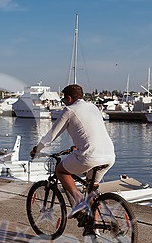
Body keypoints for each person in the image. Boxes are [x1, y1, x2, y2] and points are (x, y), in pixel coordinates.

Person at [30, 84, 115, 219]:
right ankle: (95, 229)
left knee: (60, 170)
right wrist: (77, 146)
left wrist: (37, 149)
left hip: (90, 155)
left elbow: (51, 135)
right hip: (109, 155)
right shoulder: (93, 107)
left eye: (64, 99)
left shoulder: (69, 110)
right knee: (91, 191)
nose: (63, 102)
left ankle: (79, 202)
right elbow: (89, 130)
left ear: (69, 98)